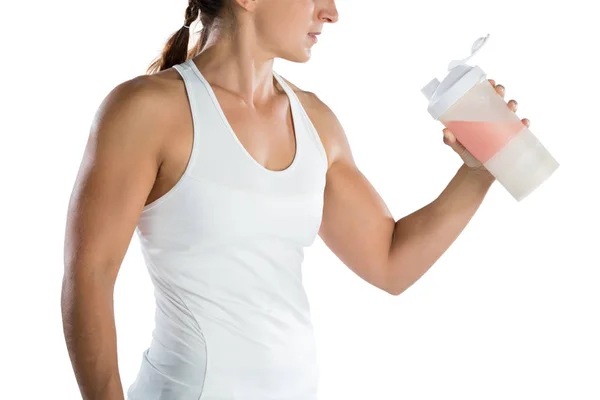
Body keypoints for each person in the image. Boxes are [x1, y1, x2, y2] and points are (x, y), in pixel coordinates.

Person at [61, 0, 530, 399]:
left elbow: (389, 262)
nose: (331, 13)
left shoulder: (316, 121)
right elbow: (90, 278)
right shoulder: (144, 110)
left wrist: (479, 173)